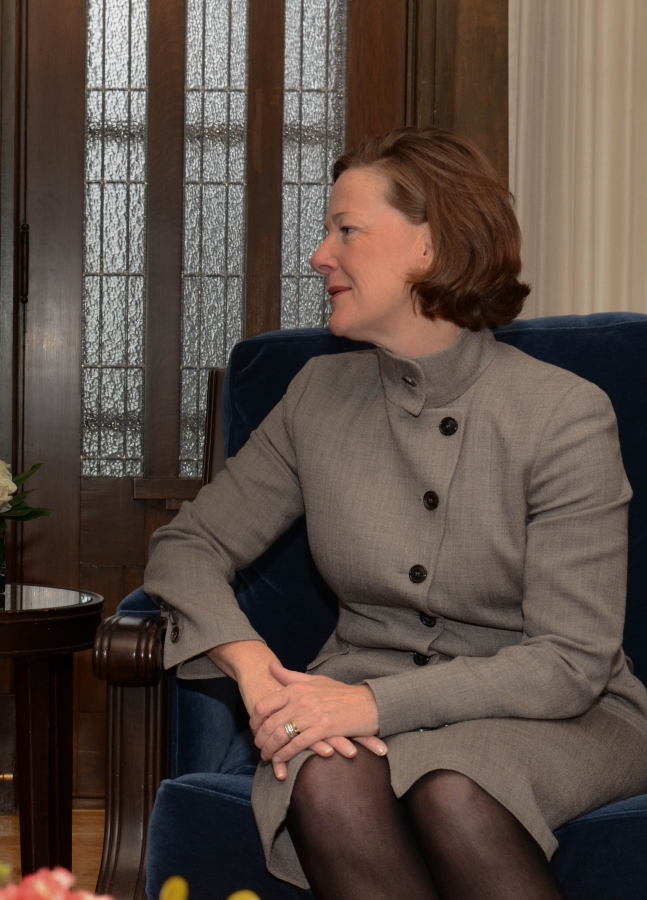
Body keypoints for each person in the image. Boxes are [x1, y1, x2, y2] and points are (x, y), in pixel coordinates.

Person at [144, 127, 647, 899]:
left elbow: (568, 663)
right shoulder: (317, 396)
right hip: (353, 698)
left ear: (431, 245)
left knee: (455, 787)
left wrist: (369, 703)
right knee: (328, 781)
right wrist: (255, 671)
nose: (319, 255)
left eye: (346, 230)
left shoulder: (562, 414)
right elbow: (189, 545)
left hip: (561, 716)